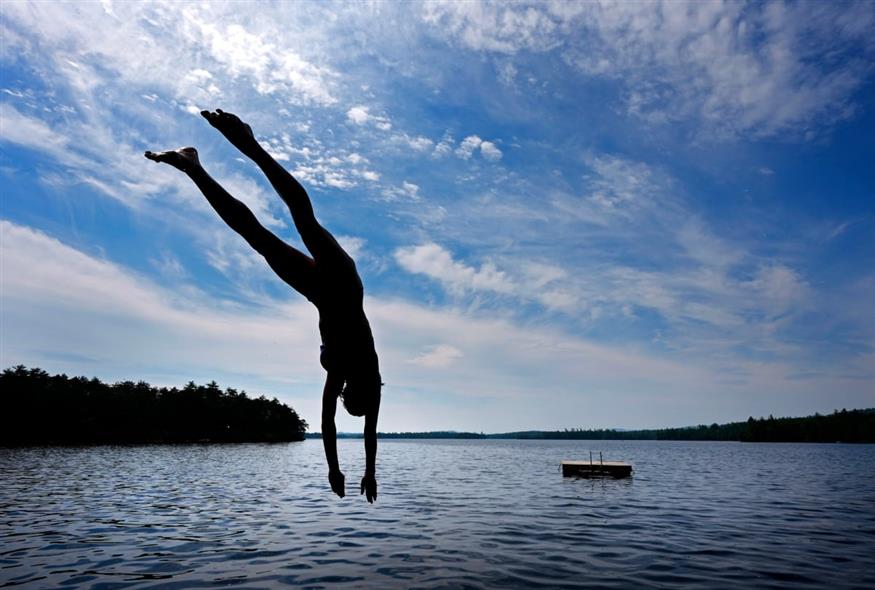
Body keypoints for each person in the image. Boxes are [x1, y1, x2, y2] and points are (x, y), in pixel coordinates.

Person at [145, 109, 381, 503]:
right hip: (341, 282)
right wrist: (348, 470)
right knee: (299, 217)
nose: (348, 394)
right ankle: (246, 143)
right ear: (354, 392)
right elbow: (343, 428)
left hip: (320, 292)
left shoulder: (347, 376)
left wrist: (344, 469)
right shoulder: (362, 373)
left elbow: (334, 424)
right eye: (352, 396)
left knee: (255, 234)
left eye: (349, 396)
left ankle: (192, 166)